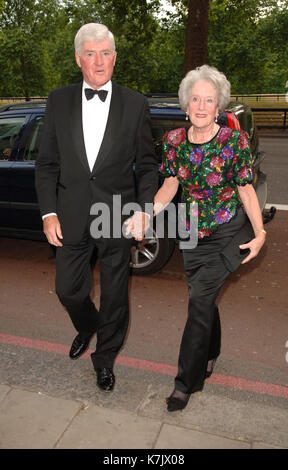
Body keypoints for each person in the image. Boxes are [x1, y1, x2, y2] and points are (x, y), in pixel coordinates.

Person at [35, 23, 158, 393]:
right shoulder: (58, 100)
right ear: (78, 59)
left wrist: (144, 209)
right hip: (70, 214)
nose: (99, 61)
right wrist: (48, 212)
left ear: (115, 57)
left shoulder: (135, 103)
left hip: (116, 216)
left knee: (116, 294)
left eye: (106, 53)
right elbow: (47, 164)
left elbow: (148, 166)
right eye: (91, 53)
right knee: (68, 290)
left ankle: (104, 359)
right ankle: (88, 324)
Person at [153, 65, 266, 412]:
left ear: (218, 108)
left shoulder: (234, 142)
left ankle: (185, 383)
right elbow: (171, 184)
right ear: (186, 104)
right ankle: (212, 351)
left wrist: (260, 232)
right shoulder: (173, 141)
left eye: (209, 100)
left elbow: (245, 190)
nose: (201, 106)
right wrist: (148, 211)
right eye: (195, 99)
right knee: (202, 298)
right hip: (190, 231)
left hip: (227, 231)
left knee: (199, 302)